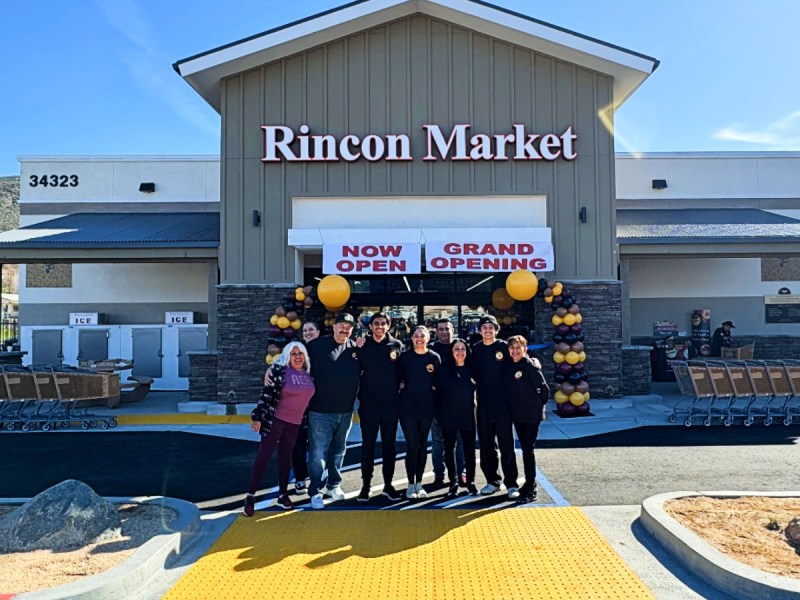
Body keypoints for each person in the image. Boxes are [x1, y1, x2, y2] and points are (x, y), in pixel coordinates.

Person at [244, 342, 315, 515]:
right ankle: (250, 496)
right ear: (287, 356)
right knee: (264, 456)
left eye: (300, 353)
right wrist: (257, 418)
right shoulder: (279, 371)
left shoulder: (308, 373)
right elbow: (266, 395)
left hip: (295, 423)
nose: (297, 357)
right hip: (275, 421)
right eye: (293, 354)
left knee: (286, 458)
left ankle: (283, 494)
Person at [305, 313, 361, 509]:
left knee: (338, 451)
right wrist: (272, 369)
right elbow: (293, 360)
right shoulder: (316, 346)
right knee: (318, 454)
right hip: (320, 411)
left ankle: (333, 485)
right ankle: (315, 491)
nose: (344, 329)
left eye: (348, 327)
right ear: (334, 326)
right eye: (341, 325)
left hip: (345, 411)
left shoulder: (355, 349)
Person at [355, 312, 404, 502]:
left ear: (388, 326)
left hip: (391, 404)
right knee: (367, 447)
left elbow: (403, 371)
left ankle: (388, 485)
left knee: (389, 447)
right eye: (376, 323)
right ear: (370, 326)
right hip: (369, 405)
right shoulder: (362, 345)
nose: (380, 327)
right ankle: (365, 486)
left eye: (384, 323)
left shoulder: (396, 345)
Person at [471, 315, 519, 499]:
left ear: (496, 330)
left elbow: (518, 361)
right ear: (480, 330)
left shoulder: (504, 347)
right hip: (483, 403)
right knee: (486, 445)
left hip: (503, 404)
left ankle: (511, 484)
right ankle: (492, 481)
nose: (487, 330)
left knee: (506, 445)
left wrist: (533, 363)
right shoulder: (476, 349)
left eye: (491, 327)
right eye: (484, 327)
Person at [504, 335, 549, 504]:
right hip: (518, 415)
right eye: (512, 348)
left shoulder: (530, 365)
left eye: (518, 347)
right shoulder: (510, 365)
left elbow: (544, 390)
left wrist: (536, 408)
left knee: (528, 450)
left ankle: (532, 487)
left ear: (525, 349)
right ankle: (528, 484)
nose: (515, 351)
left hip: (531, 415)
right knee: (524, 449)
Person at [397, 326, 441, 499]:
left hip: (426, 407)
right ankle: (410, 484)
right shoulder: (404, 357)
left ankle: (419, 483)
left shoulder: (434, 358)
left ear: (428, 338)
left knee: (422, 445)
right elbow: (396, 377)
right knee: (412, 445)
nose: (419, 338)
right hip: (407, 407)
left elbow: (439, 382)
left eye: (422, 335)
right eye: (416, 335)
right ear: (412, 338)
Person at [434, 338, 478, 497]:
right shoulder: (444, 369)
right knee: (449, 450)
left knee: (469, 450)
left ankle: (471, 482)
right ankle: (453, 483)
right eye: (456, 349)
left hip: (468, 415)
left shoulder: (473, 369)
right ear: (451, 352)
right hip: (448, 414)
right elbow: (437, 392)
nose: (460, 352)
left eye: (463, 349)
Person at [428, 318, 465, 487]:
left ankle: (459, 473)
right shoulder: (430, 350)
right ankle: (438, 474)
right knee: (438, 442)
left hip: (457, 404)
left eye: (447, 329)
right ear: (436, 332)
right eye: (441, 329)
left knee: (459, 441)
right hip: (437, 404)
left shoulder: (460, 347)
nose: (444, 332)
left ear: (453, 330)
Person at [289, 320, 320, 495]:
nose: (308, 332)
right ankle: (300, 479)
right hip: (298, 409)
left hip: (319, 406)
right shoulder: (297, 351)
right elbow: (280, 365)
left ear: (318, 332)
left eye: (311, 329)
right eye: (305, 330)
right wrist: (270, 370)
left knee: (318, 446)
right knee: (298, 445)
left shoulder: (324, 350)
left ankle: (318, 479)